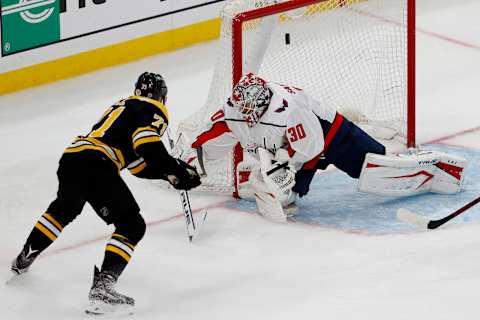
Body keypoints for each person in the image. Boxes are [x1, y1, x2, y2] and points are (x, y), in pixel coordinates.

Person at [9, 72, 201, 314]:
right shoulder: (154, 108)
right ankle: (103, 288)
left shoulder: (123, 106)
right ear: (162, 96)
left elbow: (138, 167)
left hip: (72, 157)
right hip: (97, 163)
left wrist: (168, 174)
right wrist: (176, 169)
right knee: (132, 226)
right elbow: (147, 145)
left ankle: (24, 258)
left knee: (65, 208)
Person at [189, 73, 466, 222]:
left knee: (376, 167)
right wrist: (192, 164)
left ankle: (434, 169)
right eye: (243, 109)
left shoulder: (287, 110)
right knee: (283, 189)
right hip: (288, 144)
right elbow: (209, 139)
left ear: (264, 102)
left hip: (330, 133)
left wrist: (288, 167)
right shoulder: (233, 110)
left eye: (252, 109)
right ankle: (274, 184)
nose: (246, 115)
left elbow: (313, 147)